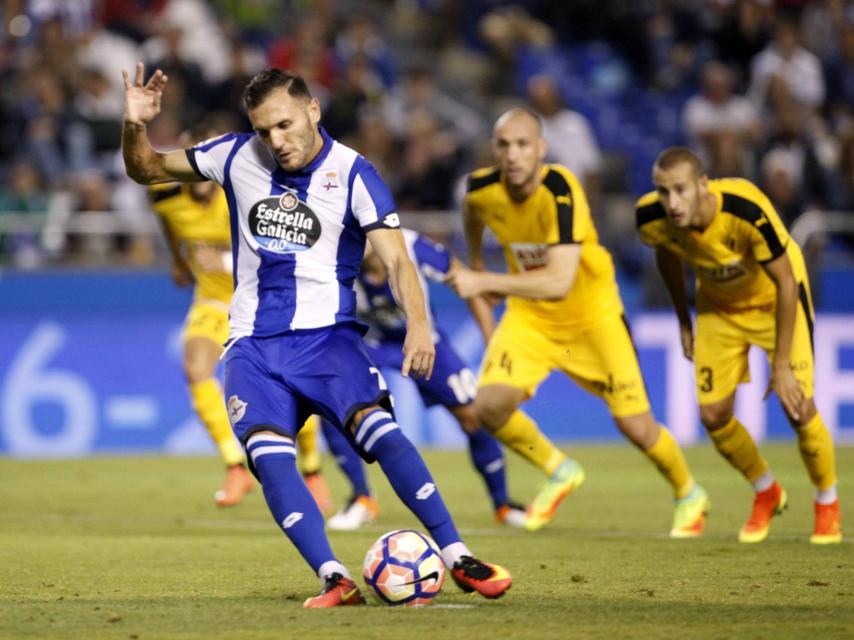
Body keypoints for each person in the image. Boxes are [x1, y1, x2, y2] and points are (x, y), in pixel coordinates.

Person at [121, 63, 512, 607]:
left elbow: (398, 262)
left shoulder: (355, 174)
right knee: (269, 458)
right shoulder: (233, 156)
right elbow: (145, 169)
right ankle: (334, 577)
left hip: (328, 341)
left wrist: (419, 325)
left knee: (381, 432)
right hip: (252, 347)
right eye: (263, 131)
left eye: (283, 125)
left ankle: (458, 555)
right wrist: (136, 124)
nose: (275, 141)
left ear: (312, 110)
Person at [446, 108, 708, 536]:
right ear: (494, 150)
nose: (513, 154)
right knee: (488, 406)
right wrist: (481, 284)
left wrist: (482, 277)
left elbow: (559, 280)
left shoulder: (562, 188)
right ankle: (558, 468)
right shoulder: (478, 191)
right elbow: (474, 237)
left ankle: (688, 491)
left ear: (541, 149)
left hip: (593, 315)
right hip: (531, 317)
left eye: (523, 145)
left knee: (635, 426)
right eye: (504, 145)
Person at [635, 146, 841, 544]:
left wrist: (780, 365)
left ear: (702, 185)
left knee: (798, 406)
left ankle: (827, 503)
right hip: (719, 306)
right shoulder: (651, 217)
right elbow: (667, 256)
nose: (672, 203)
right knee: (713, 415)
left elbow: (785, 281)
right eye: (663, 191)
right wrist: (683, 318)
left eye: (680, 190)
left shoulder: (745, 209)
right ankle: (766, 490)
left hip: (773, 300)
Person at [149, 127, 332, 512]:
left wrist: (227, 261)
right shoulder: (165, 196)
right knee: (196, 367)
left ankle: (313, 471)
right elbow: (169, 225)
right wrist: (178, 262)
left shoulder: (247, 190)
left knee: (294, 383)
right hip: (213, 300)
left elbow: (285, 246)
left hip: (263, 301)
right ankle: (235, 466)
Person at [323, 229, 526, 530]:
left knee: (475, 416)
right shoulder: (331, 256)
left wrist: (492, 342)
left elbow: (468, 284)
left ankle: (503, 504)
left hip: (424, 341)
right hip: (371, 344)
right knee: (331, 401)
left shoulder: (415, 248)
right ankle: (362, 498)